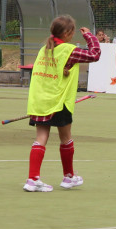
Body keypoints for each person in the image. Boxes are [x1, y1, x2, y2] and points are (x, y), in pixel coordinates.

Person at [23, 15, 101, 192]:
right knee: (65, 138)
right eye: (72, 32)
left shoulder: (44, 49)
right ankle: (69, 177)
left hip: (40, 101)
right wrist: (90, 36)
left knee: (40, 138)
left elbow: (53, 70)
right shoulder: (68, 50)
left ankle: (32, 179)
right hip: (58, 102)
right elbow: (95, 55)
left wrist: (65, 71)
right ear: (67, 33)